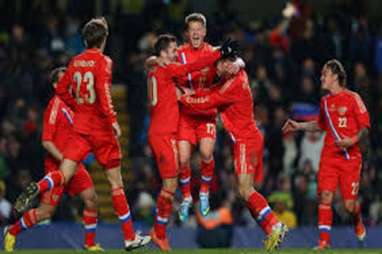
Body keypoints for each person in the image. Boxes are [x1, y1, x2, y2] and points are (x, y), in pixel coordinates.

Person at [13, 17, 150, 250]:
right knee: (115, 184)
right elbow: (104, 92)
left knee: (64, 173)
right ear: (104, 39)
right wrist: (113, 120)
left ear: (85, 39)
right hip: (100, 128)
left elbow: (63, 90)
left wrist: (78, 106)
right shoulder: (104, 61)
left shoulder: (75, 61)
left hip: (81, 126)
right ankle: (129, 237)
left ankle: (41, 185)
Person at [178, 56, 288, 251]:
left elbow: (207, 101)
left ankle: (275, 225)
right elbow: (214, 89)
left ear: (228, 63)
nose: (217, 69)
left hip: (245, 140)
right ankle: (271, 229)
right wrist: (193, 92)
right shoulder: (239, 74)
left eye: (219, 64)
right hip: (250, 137)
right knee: (246, 192)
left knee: (246, 190)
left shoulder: (231, 86)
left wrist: (184, 98)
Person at [146, 13, 243, 221]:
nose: (196, 32)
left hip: (206, 113)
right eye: (192, 29)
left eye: (199, 28)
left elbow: (239, 59)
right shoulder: (178, 53)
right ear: (187, 33)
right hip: (185, 115)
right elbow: (154, 60)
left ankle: (205, 193)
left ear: (205, 32)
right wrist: (178, 88)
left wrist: (238, 65)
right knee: (182, 159)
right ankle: (188, 197)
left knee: (207, 154)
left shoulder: (213, 51)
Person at [3, 67, 102, 252]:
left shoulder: (75, 105)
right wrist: (65, 159)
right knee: (45, 212)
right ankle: (12, 231)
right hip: (57, 165)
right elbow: (47, 142)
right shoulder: (54, 106)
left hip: (74, 164)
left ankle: (89, 243)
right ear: (56, 85)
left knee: (92, 198)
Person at [282, 59, 370, 249]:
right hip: (330, 156)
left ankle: (357, 220)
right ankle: (323, 242)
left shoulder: (353, 98)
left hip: (350, 158)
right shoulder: (325, 102)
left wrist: (352, 141)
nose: (321, 77)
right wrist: (299, 126)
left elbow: (365, 127)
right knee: (325, 196)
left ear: (335, 77)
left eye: (325, 74)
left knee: (348, 206)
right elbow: (321, 125)